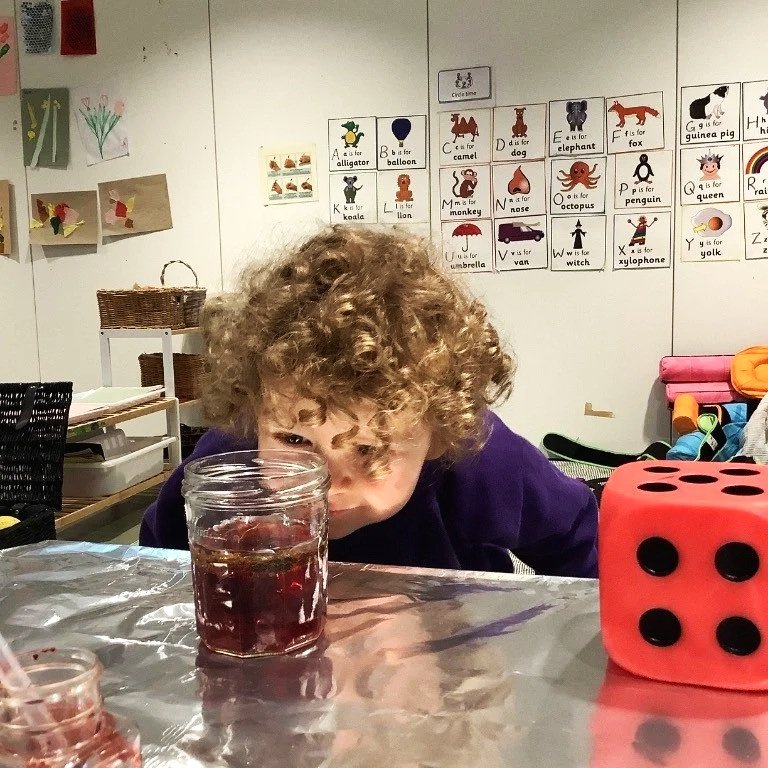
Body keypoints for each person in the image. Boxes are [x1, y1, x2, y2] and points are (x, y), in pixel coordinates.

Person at [140, 225, 598, 577]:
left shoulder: (482, 462)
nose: (327, 485)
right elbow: (156, 564)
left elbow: (582, 539)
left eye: (367, 450)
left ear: (437, 434)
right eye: (295, 441)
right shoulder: (229, 467)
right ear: (256, 407)